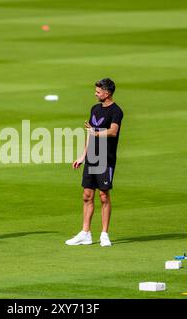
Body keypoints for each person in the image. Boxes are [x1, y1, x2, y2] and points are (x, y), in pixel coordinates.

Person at [66, 78, 123, 247]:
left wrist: (96, 133)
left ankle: (104, 234)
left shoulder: (116, 111)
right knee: (87, 195)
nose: (95, 93)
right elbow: (90, 134)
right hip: (91, 158)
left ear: (107, 93)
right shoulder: (95, 109)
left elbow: (113, 131)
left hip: (106, 159)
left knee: (104, 196)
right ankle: (85, 233)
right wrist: (82, 156)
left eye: (98, 91)